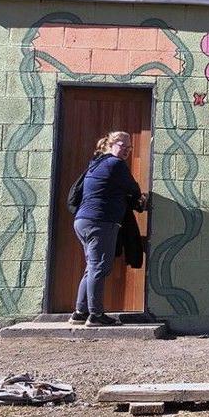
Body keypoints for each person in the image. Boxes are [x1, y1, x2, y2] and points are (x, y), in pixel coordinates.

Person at [69, 131, 147, 327]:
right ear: (111, 144)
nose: (127, 151)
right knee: (99, 267)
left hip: (83, 221)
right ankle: (95, 315)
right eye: (122, 146)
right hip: (101, 222)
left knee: (92, 267)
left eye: (129, 148)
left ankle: (80, 312)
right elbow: (134, 189)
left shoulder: (95, 164)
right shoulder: (115, 164)